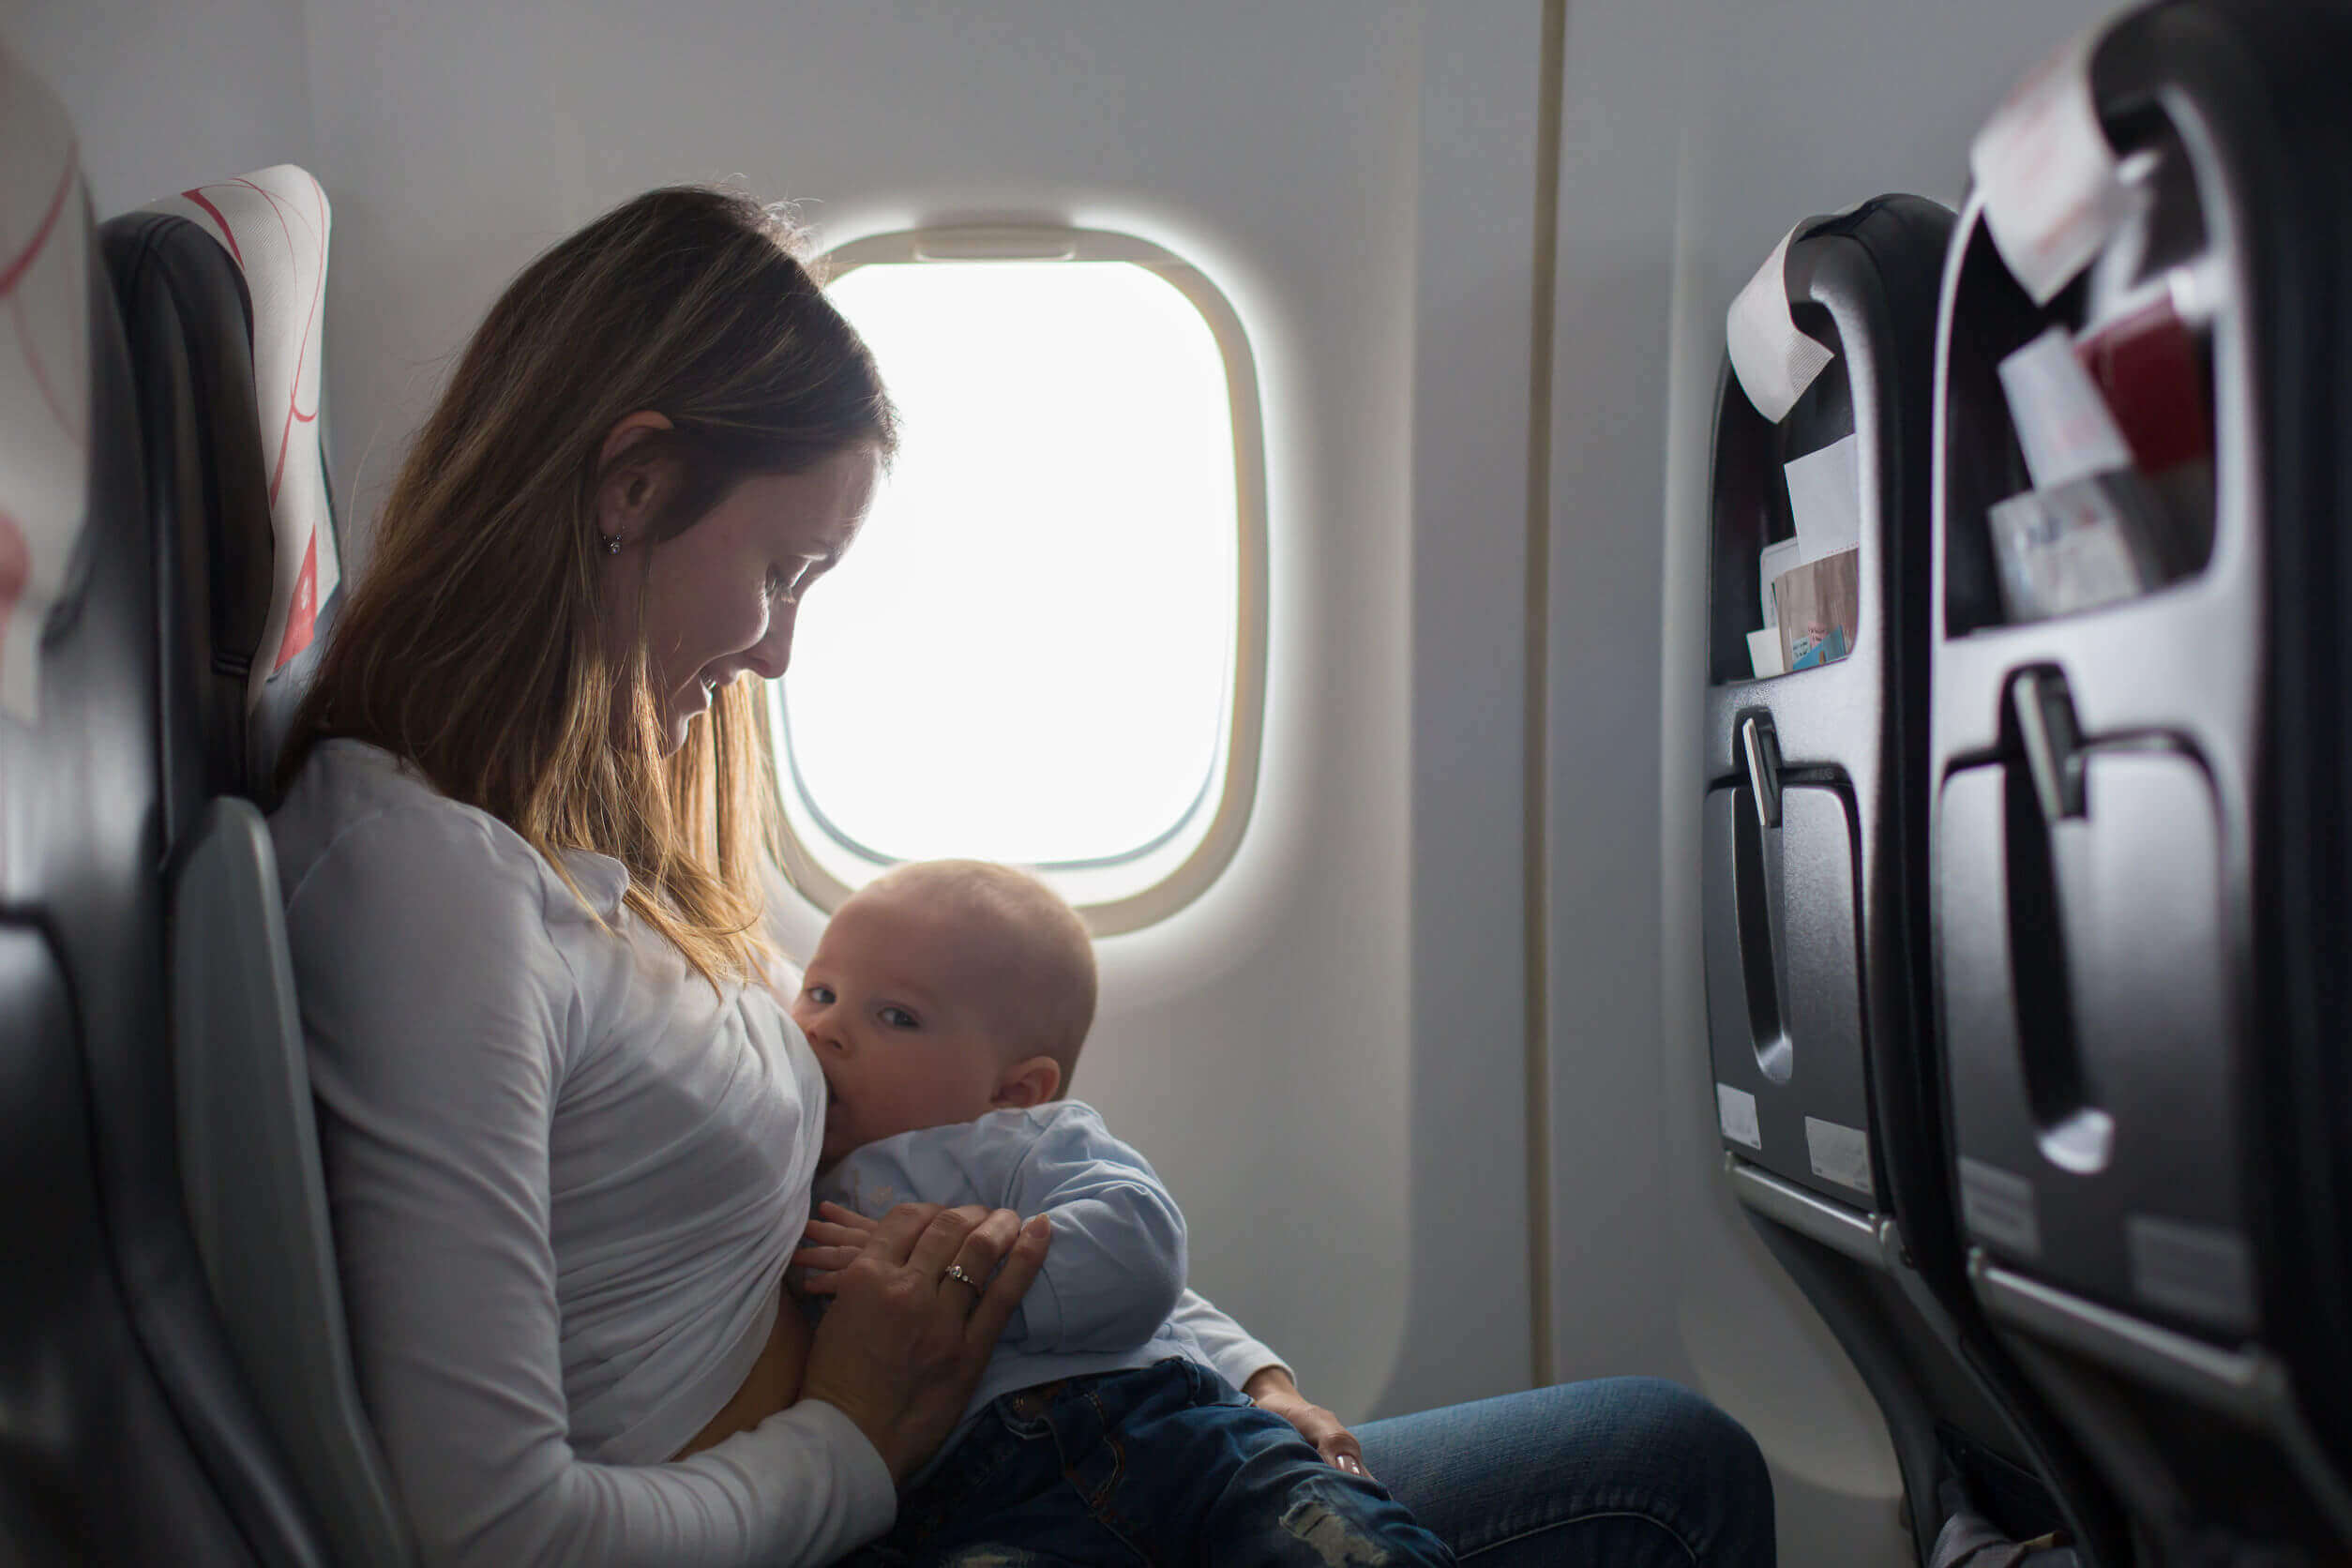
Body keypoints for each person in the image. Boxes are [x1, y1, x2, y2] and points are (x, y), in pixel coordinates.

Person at [270, 183, 1777, 1566]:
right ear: (634, 486)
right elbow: (489, 1536)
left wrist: (1243, 1369)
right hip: (891, 1511)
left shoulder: (612, 867)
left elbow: (995, 1184)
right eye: (783, 571)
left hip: (988, 1447)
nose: (778, 650)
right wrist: (851, 1444)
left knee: (1671, 1459)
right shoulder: (430, 889)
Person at [775, 858, 1454, 1565]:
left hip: (1160, 1429)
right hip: (978, 1500)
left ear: (1014, 1090)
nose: (827, 1028)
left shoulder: (1021, 1143)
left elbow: (1141, 1251)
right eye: (819, 991)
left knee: (1334, 1540)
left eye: (897, 1016)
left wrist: (953, 1274)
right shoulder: (792, 1162)